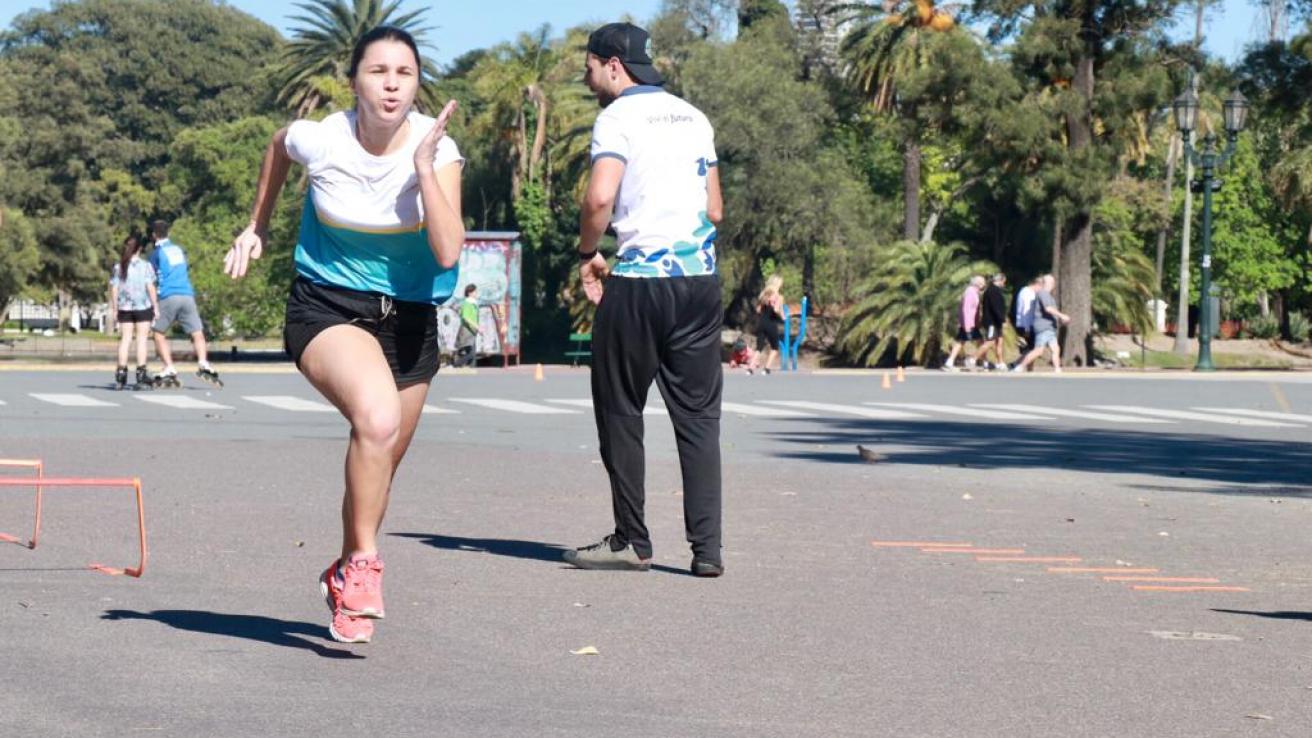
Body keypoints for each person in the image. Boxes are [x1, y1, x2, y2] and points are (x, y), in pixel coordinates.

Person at [224, 26, 465, 643]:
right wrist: (257, 225)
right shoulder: (323, 139)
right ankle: (363, 567)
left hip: (410, 320)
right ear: (354, 80)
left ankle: (344, 572)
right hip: (328, 308)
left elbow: (446, 252)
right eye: (377, 71)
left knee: (378, 461)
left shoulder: (439, 151)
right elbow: (278, 146)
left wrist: (422, 169)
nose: (390, 83)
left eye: (404, 73)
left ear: (417, 84)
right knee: (377, 421)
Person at [564, 21, 725, 577]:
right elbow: (716, 209)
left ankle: (633, 541)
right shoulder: (694, 117)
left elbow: (600, 195)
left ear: (613, 64)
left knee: (620, 407)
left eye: (589, 68)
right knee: (699, 418)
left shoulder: (616, 118)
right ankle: (708, 552)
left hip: (638, 282)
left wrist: (588, 250)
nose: (588, 79)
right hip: (700, 281)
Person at [147, 220, 222, 388]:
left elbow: (151, 277)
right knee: (197, 332)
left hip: (168, 295)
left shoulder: (156, 254)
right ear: (168, 233)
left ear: (153, 235)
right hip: (187, 294)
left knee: (158, 333)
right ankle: (203, 363)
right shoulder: (178, 250)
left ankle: (169, 367)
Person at [109, 235, 159, 390]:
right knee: (141, 340)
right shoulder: (145, 266)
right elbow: (150, 287)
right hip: (142, 306)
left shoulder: (119, 267)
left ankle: (121, 373)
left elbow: (114, 288)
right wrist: (155, 306)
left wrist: (115, 306)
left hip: (125, 307)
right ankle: (141, 373)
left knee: (125, 340)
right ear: (139, 249)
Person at [1012, 274, 1071, 373]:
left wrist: (1059, 319)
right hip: (1043, 327)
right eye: (1052, 282)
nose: (1053, 285)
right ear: (1047, 283)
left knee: (1055, 349)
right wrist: (1062, 316)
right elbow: (1048, 308)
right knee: (1039, 350)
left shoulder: (1047, 295)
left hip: (1050, 327)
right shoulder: (1043, 293)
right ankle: (1020, 366)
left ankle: (1057, 369)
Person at [942, 275, 985, 371]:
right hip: (969, 323)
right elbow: (966, 309)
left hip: (973, 323)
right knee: (964, 341)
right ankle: (952, 362)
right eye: (982, 282)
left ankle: (982, 362)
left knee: (970, 341)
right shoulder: (970, 292)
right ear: (978, 283)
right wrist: (967, 325)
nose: (984, 284)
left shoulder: (975, 292)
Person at [972, 273, 1008, 371]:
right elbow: (995, 308)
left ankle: (1000, 362)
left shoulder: (996, 291)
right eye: (1003, 282)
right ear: (1000, 281)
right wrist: (1002, 319)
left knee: (999, 342)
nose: (1004, 284)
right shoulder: (993, 291)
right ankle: (973, 358)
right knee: (990, 341)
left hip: (997, 322)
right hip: (992, 321)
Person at [750, 274, 785, 375]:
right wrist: (782, 317)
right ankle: (766, 369)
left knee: (759, 347)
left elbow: (758, 310)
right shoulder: (778, 296)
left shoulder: (763, 295)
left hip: (761, 323)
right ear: (778, 284)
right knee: (775, 347)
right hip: (771, 323)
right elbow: (777, 309)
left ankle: (750, 368)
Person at [1011, 275, 1039, 368]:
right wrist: (1027, 328)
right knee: (1032, 349)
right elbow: (1026, 311)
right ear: (1037, 284)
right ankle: (1017, 364)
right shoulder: (1028, 293)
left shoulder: (1024, 291)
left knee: (1030, 349)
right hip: (1026, 324)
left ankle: (1026, 366)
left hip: (1023, 323)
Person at [454, 283, 479, 367]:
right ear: (470, 293)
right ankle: (455, 364)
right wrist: (477, 327)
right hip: (467, 331)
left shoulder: (473, 304)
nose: (477, 293)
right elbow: (466, 317)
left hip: (472, 331)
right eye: (475, 292)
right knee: (470, 354)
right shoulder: (467, 303)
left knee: (471, 353)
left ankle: (469, 368)